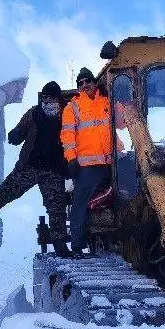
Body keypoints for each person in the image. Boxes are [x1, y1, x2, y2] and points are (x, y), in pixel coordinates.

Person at [0, 81, 72, 257]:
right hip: (29, 166)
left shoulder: (67, 114)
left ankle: (60, 243)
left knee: (56, 207)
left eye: (52, 97)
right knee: (6, 192)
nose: (48, 101)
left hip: (53, 170)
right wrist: (15, 135)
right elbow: (19, 132)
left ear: (59, 98)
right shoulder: (33, 113)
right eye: (46, 97)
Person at [61, 67, 113, 257]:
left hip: (111, 163)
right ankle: (77, 245)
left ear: (94, 82)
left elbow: (124, 122)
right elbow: (67, 135)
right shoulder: (72, 107)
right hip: (87, 166)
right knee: (80, 202)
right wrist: (72, 159)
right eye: (80, 83)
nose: (84, 85)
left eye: (87, 81)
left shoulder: (108, 102)